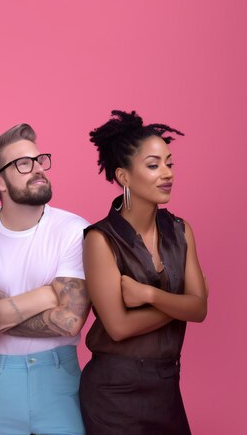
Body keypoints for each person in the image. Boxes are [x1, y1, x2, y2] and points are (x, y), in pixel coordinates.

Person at [79, 110, 208, 434]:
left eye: (169, 163)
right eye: (153, 165)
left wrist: (150, 295)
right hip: (113, 393)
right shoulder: (100, 239)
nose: (166, 173)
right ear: (124, 177)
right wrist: (181, 303)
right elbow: (119, 327)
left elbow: (201, 310)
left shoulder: (181, 231)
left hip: (166, 387)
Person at [0, 123, 91, 435]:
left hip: (59, 377)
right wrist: (46, 295)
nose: (38, 170)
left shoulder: (73, 230)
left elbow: (70, 321)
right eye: (23, 164)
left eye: (39, 160)